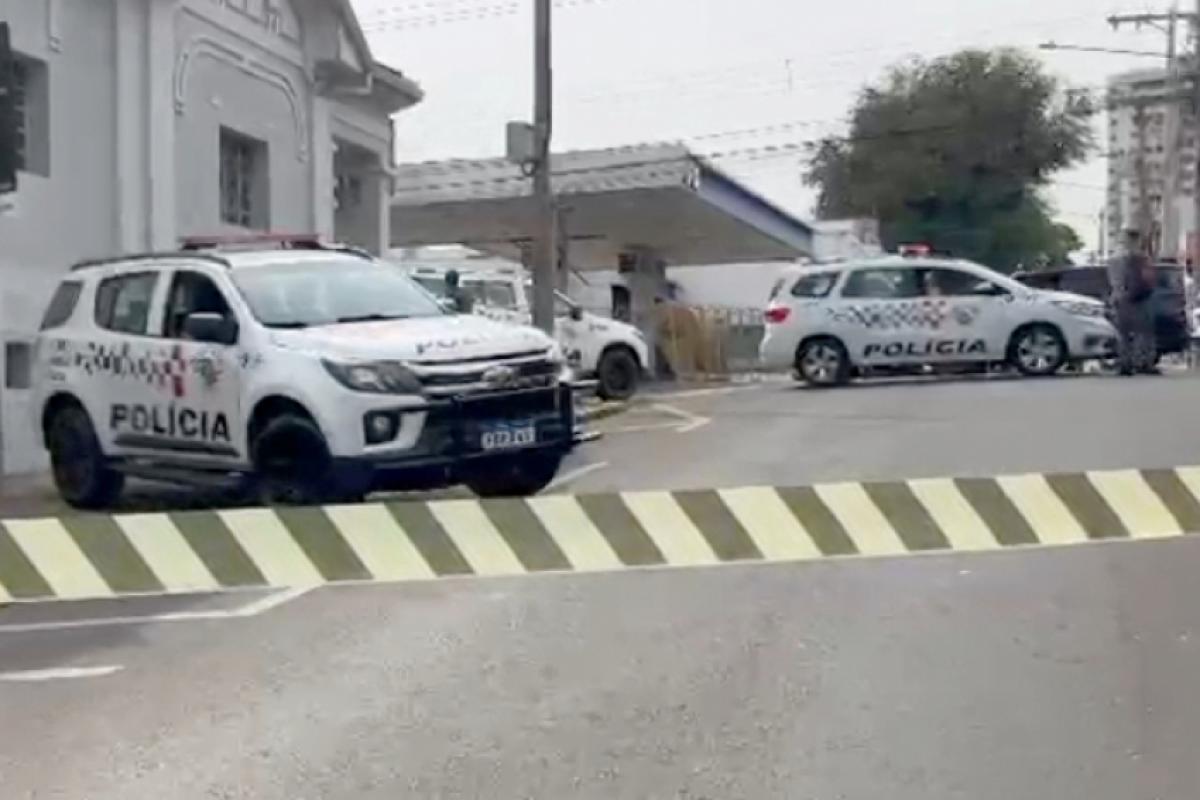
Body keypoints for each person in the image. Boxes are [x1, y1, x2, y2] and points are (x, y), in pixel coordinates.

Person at [1108, 230, 1158, 376]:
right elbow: (1148, 278)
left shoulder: (1114, 257)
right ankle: (1143, 363)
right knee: (1144, 333)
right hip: (1139, 299)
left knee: (1123, 334)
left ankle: (1125, 364)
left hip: (1119, 298)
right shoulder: (1140, 257)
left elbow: (1113, 281)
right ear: (1136, 239)